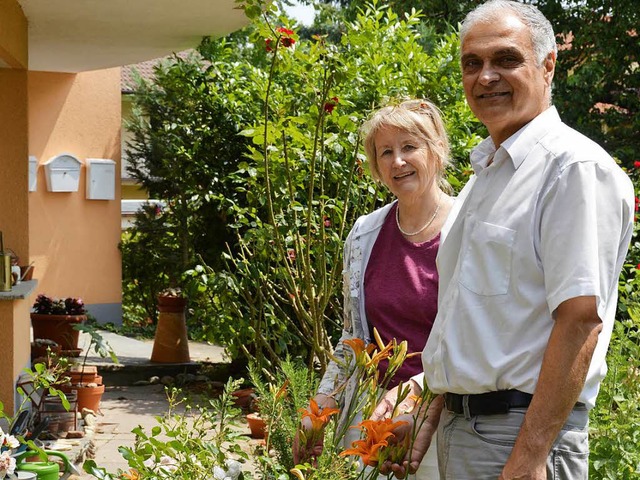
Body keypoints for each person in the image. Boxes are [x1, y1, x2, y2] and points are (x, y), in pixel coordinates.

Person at [379, 1, 636, 479]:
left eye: (505, 59)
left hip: (519, 437)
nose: (485, 77)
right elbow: (480, 323)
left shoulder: (573, 169)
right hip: (468, 430)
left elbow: (580, 321)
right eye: (472, 64)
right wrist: (437, 402)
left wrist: (530, 457)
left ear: (547, 64)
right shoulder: (488, 176)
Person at [293, 99, 455, 478]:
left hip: (442, 418)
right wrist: (319, 410)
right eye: (386, 152)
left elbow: (474, 338)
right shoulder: (365, 234)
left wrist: (418, 393)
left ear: (437, 150)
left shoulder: (467, 228)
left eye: (409, 147)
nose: (397, 161)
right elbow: (353, 338)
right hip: (370, 421)